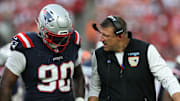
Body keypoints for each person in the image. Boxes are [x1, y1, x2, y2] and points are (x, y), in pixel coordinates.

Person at [0, 4, 85, 101]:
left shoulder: (72, 41)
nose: (60, 41)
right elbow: (6, 84)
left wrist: (80, 98)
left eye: (64, 37)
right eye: (55, 37)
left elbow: (79, 76)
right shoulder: (27, 47)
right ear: (42, 29)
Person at [88, 15, 180, 101]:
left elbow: (168, 79)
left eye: (106, 36)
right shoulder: (98, 55)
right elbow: (95, 88)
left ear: (120, 36)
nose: (101, 39)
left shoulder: (146, 50)